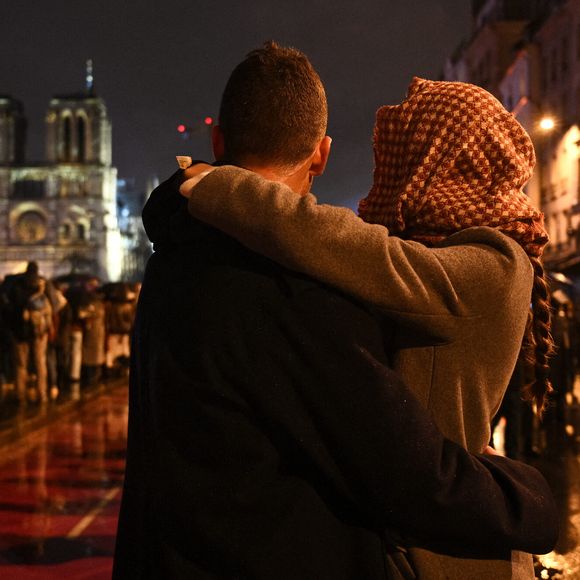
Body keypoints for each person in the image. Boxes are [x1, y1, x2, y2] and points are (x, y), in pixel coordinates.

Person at [113, 43, 558, 579]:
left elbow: (349, 244)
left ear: (217, 141)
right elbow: (406, 472)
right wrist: (530, 498)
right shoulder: (296, 288)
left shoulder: (175, 257)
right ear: (321, 154)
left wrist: (207, 183)